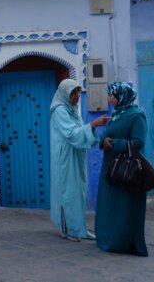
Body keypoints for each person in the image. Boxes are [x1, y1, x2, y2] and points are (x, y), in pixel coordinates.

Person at [50, 79, 110, 242]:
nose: (77, 95)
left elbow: (78, 132)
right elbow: (71, 134)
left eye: (78, 91)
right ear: (65, 94)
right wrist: (93, 124)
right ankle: (66, 229)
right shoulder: (60, 111)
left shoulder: (72, 109)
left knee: (78, 192)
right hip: (66, 158)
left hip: (75, 154)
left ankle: (79, 228)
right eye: (73, 92)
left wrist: (93, 128)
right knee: (67, 192)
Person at [95, 81, 149, 256]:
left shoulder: (136, 116)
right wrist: (103, 141)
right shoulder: (117, 115)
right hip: (111, 169)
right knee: (110, 205)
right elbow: (106, 135)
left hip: (127, 170)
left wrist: (115, 143)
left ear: (121, 95)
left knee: (125, 207)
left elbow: (139, 142)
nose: (109, 99)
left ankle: (124, 242)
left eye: (111, 95)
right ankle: (109, 239)